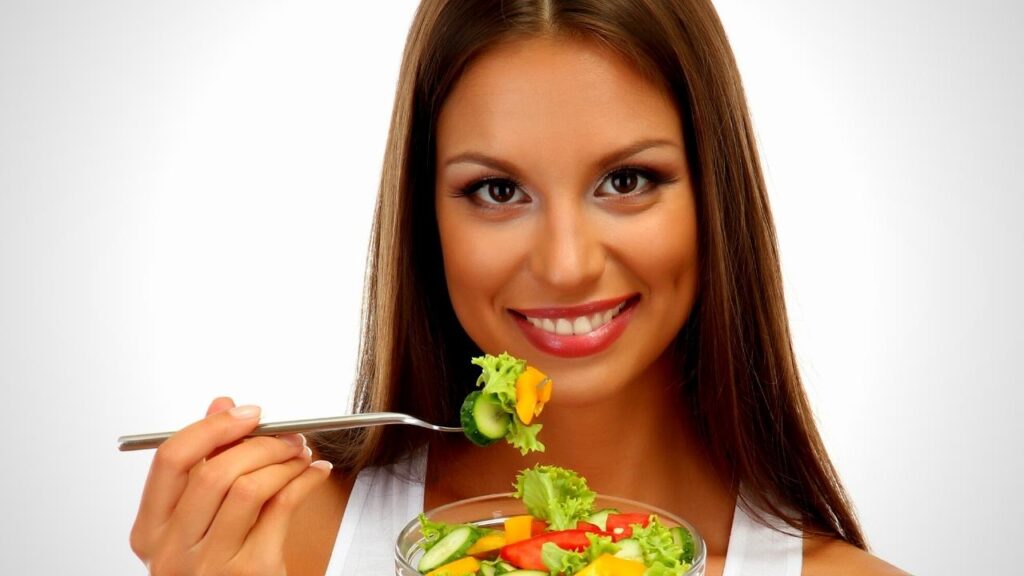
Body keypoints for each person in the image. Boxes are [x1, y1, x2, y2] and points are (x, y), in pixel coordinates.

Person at [129, 1, 908, 574]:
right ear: (424, 217)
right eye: (499, 192)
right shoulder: (276, 547)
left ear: (715, 197)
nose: (566, 265)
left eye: (627, 179)